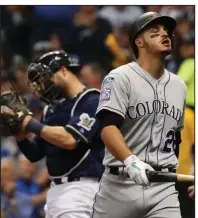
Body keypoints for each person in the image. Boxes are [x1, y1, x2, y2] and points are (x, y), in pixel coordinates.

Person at [91, 12, 187, 218]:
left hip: (163, 188)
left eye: (166, 32)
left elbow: (175, 139)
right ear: (139, 42)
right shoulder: (120, 77)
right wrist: (131, 161)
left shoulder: (179, 86)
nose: (164, 35)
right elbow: (107, 129)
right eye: (155, 33)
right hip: (120, 185)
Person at [9, 50, 104, 218]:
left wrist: (28, 123)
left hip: (82, 189)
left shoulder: (91, 100)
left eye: (45, 79)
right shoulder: (51, 110)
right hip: (56, 192)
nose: (43, 86)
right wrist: (18, 132)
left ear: (64, 70)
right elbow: (35, 153)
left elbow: (69, 139)